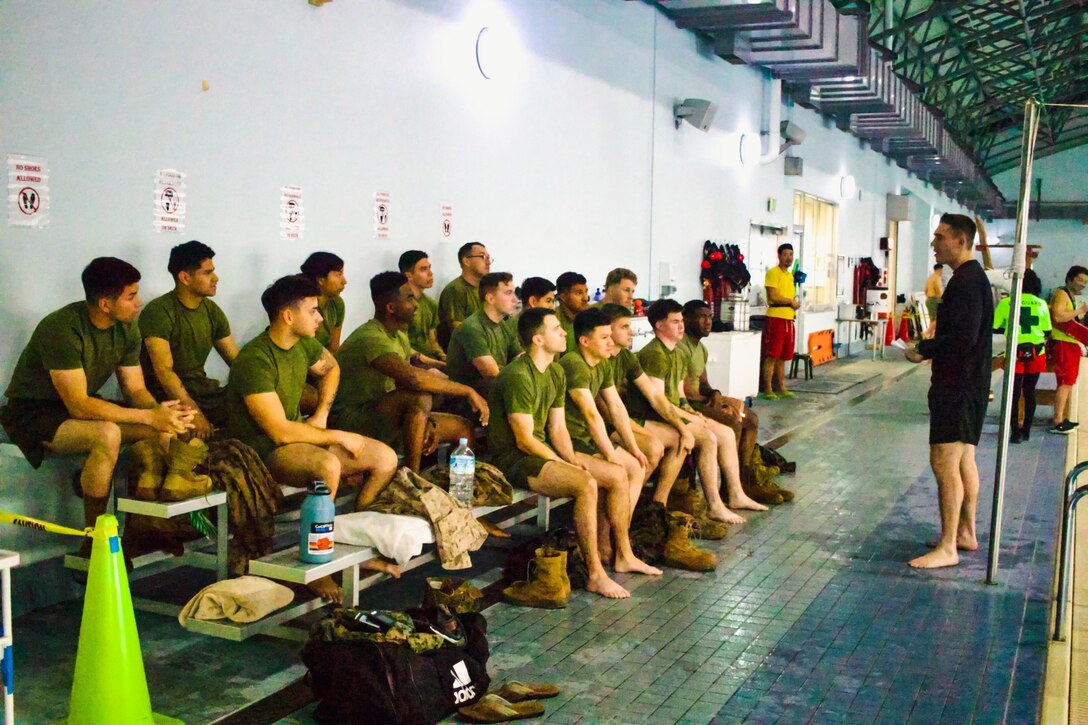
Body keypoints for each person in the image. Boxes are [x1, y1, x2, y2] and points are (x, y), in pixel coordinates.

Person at [0, 258, 194, 556]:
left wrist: (165, 418)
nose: (139, 302)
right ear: (105, 304)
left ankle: (146, 528)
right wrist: (150, 416)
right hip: (34, 412)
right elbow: (78, 405)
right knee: (107, 435)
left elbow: (136, 389)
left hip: (79, 408)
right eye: (131, 296)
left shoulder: (127, 327)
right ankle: (94, 543)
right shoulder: (61, 328)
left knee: (159, 433)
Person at [225, 274, 399, 601]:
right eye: (313, 311)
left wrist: (320, 414)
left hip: (297, 437)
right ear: (288, 316)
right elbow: (278, 431)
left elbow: (331, 368)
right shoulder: (255, 359)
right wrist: (335, 434)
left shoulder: (303, 343)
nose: (320, 318)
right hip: (260, 449)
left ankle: (356, 539)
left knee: (385, 459)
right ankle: (318, 567)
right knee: (328, 466)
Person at [487, 308, 657, 600]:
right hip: (513, 459)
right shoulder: (518, 375)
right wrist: (566, 464)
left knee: (607, 476)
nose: (564, 333)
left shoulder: (554, 371)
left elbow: (557, 429)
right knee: (586, 483)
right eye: (556, 329)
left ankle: (620, 553)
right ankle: (595, 575)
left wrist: (570, 458)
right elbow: (524, 440)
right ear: (538, 339)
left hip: (541, 452)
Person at [904, 213, 993, 569]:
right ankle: (965, 533)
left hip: (958, 386)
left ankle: (947, 547)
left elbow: (962, 338)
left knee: (944, 464)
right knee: (963, 460)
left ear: (960, 240)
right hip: (969, 384)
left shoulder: (967, 282)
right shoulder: (971, 278)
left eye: (940, 237)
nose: (934, 243)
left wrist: (923, 350)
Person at [331, 272, 487, 471]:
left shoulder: (399, 336)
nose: (416, 305)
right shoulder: (370, 338)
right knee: (419, 396)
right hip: (353, 420)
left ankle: (457, 486)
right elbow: (412, 378)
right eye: (409, 298)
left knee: (463, 428)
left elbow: (410, 379)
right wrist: (468, 391)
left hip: (386, 415)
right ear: (391, 307)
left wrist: (425, 420)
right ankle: (412, 479)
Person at [627, 299, 767, 521]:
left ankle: (736, 493)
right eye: (675, 322)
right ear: (659, 325)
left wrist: (691, 413)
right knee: (708, 438)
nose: (681, 326)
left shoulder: (678, 352)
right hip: (653, 416)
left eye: (681, 321)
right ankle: (713, 504)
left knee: (728, 433)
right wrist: (685, 419)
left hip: (671, 411)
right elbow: (658, 401)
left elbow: (680, 396)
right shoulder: (655, 354)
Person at [559, 309, 654, 563]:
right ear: (584, 341)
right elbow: (591, 416)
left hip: (587, 440)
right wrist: (612, 455)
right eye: (604, 338)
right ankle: (619, 549)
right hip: (570, 442)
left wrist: (632, 447)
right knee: (618, 475)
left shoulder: (601, 364)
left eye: (611, 336)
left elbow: (617, 408)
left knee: (636, 465)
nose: (611, 343)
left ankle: (613, 540)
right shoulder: (574, 364)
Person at [678, 300, 790, 503]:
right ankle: (728, 489)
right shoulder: (681, 346)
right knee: (732, 422)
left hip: (702, 400)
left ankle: (744, 481)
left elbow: (704, 384)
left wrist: (716, 394)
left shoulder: (700, 349)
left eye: (709, 317)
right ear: (686, 319)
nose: (708, 322)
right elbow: (686, 393)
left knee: (751, 418)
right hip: (690, 405)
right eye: (701, 317)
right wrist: (715, 403)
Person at [141, 240, 240, 438]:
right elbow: (164, 372)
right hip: (167, 398)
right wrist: (193, 412)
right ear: (185, 277)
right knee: (186, 434)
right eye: (207, 272)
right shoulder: (159, 312)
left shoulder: (212, 311)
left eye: (213, 271)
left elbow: (237, 361)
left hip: (205, 392)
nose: (216, 278)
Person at [599, 303, 691, 503]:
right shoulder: (600, 361)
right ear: (606, 330)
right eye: (624, 327)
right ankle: (626, 507)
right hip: (606, 426)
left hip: (621, 420)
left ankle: (657, 505)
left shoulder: (625, 356)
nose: (631, 332)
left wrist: (683, 428)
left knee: (679, 439)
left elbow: (655, 396)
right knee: (653, 448)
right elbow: (609, 415)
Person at [992, 269, 1050, 443]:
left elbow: (995, 327)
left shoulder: (1006, 303)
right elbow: (1047, 331)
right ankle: (1026, 431)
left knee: (1014, 393)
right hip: (1036, 352)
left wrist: (1009, 329)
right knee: (1030, 391)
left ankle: (1014, 433)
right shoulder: (1041, 304)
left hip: (1014, 352)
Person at [445, 272, 519, 397]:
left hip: (495, 389)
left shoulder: (508, 322)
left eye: (514, 293)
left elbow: (520, 356)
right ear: (490, 298)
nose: (515, 300)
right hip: (467, 399)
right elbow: (491, 373)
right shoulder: (472, 328)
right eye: (508, 293)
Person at [1047, 265, 1088, 434]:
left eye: (1085, 282)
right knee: (1065, 382)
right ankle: (1058, 421)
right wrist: (1079, 311)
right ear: (1070, 278)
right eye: (1080, 280)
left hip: (1069, 344)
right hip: (1063, 344)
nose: (1083, 284)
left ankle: (1062, 417)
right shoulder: (1061, 294)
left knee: (1069, 381)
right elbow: (1057, 316)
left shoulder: (1068, 295)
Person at [761, 243, 799, 400]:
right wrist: (791, 302)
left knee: (783, 356)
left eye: (791, 254)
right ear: (779, 256)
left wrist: (792, 304)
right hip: (776, 318)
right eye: (785, 254)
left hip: (789, 320)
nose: (788, 257)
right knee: (772, 355)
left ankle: (781, 386)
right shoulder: (772, 273)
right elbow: (774, 296)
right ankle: (768, 389)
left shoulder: (790, 275)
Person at [437, 242, 491, 348]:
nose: (488, 262)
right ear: (466, 261)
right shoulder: (455, 290)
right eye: (482, 257)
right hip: (465, 351)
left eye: (489, 257)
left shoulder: (487, 289)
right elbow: (457, 328)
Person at [399, 250, 445, 361]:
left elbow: (432, 340)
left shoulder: (431, 304)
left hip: (429, 359)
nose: (430, 273)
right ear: (409, 275)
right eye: (423, 269)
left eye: (429, 268)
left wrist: (443, 357)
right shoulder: (400, 305)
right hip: (410, 361)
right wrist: (436, 364)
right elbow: (400, 346)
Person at [300, 252, 348, 353]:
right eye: (338, 274)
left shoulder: (337, 303)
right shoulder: (300, 305)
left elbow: (334, 347)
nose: (344, 281)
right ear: (320, 279)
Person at [501, 277, 556, 357]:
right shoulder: (510, 327)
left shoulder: (547, 326)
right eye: (548, 301)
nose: (552, 307)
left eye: (553, 302)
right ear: (532, 301)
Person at [556, 271, 589, 352]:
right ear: (563, 296)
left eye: (586, 292)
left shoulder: (590, 316)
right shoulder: (553, 320)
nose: (585, 298)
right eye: (579, 293)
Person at [923, 263, 944, 339]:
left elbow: (925, 290)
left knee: (932, 320)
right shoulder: (937, 277)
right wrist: (942, 299)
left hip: (928, 300)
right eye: (942, 271)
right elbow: (939, 290)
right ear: (940, 270)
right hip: (934, 300)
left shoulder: (929, 278)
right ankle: (926, 333)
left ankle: (930, 337)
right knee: (937, 319)